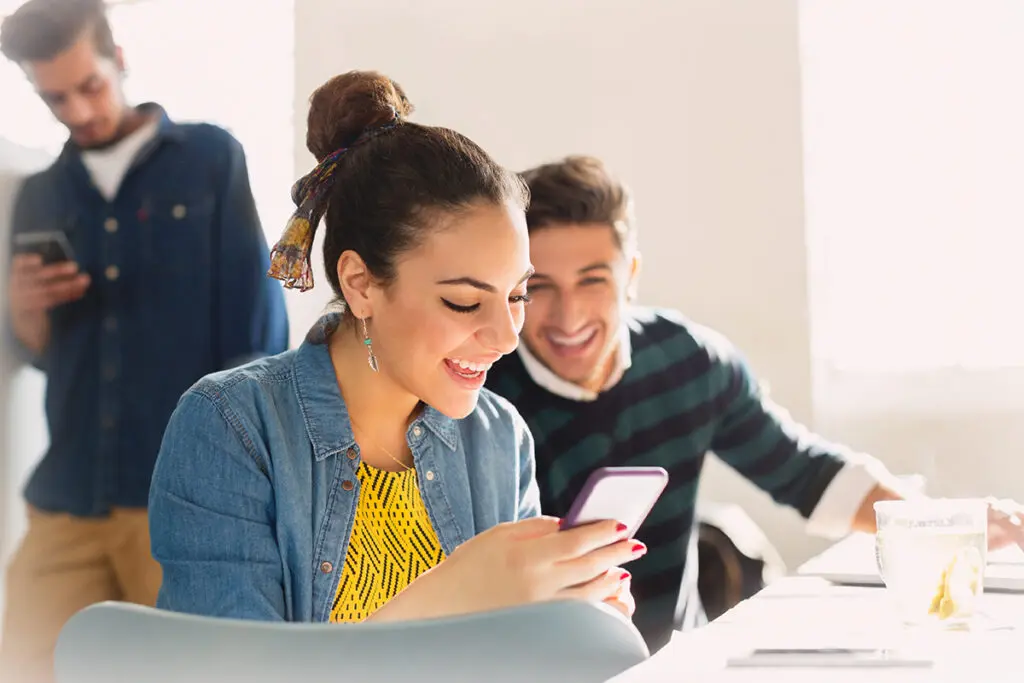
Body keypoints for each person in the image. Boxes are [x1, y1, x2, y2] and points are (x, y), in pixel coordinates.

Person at [149, 71, 642, 628]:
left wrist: (572, 626)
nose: (507, 338)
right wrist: (454, 594)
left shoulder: (499, 435)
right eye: (462, 302)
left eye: (518, 294)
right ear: (360, 284)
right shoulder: (233, 427)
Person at [485, 155, 1024, 652]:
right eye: (541, 288)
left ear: (630, 276)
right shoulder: (482, 395)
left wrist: (934, 520)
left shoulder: (690, 361)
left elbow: (803, 471)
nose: (569, 316)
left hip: (678, 659)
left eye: (593, 280)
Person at [0, 1, 288, 680]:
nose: (76, 111)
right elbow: (38, 351)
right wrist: (24, 307)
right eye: (54, 98)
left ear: (119, 59)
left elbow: (255, 335)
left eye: (89, 86)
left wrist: (241, 498)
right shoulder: (40, 193)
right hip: (64, 497)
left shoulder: (212, 159)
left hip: (178, 500)